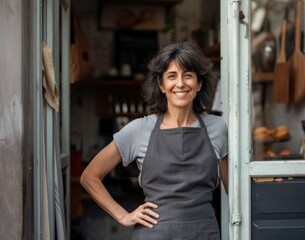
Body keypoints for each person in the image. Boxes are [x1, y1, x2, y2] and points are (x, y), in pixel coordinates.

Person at [80, 41, 228, 240]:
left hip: (204, 233)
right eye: (172, 76)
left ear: (199, 83)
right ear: (161, 85)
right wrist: (123, 216)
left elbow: (234, 191)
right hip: (155, 234)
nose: (180, 83)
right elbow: (90, 176)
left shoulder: (218, 128)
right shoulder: (139, 129)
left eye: (188, 75)